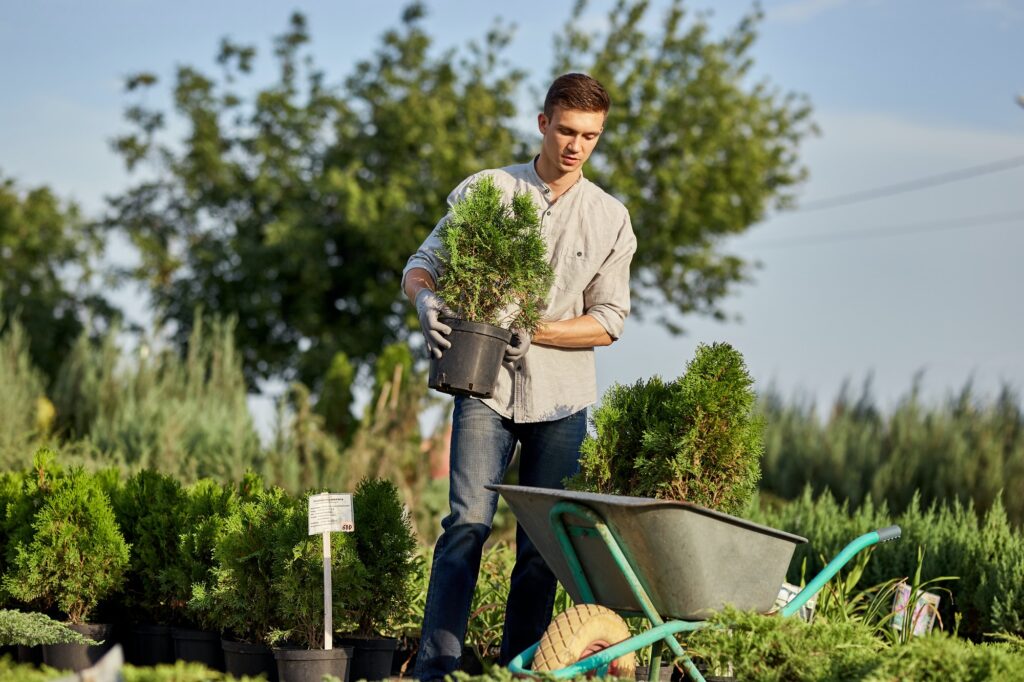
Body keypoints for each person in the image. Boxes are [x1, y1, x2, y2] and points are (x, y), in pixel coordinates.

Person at [402, 72, 637, 680]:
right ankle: (438, 671)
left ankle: (521, 671)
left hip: (562, 402)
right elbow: (422, 264)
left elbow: (609, 321)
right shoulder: (489, 191)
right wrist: (426, 302)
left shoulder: (610, 218)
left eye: (590, 136)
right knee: (466, 528)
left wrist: (541, 332)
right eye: (566, 130)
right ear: (543, 124)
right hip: (486, 390)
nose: (575, 146)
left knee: (541, 550)